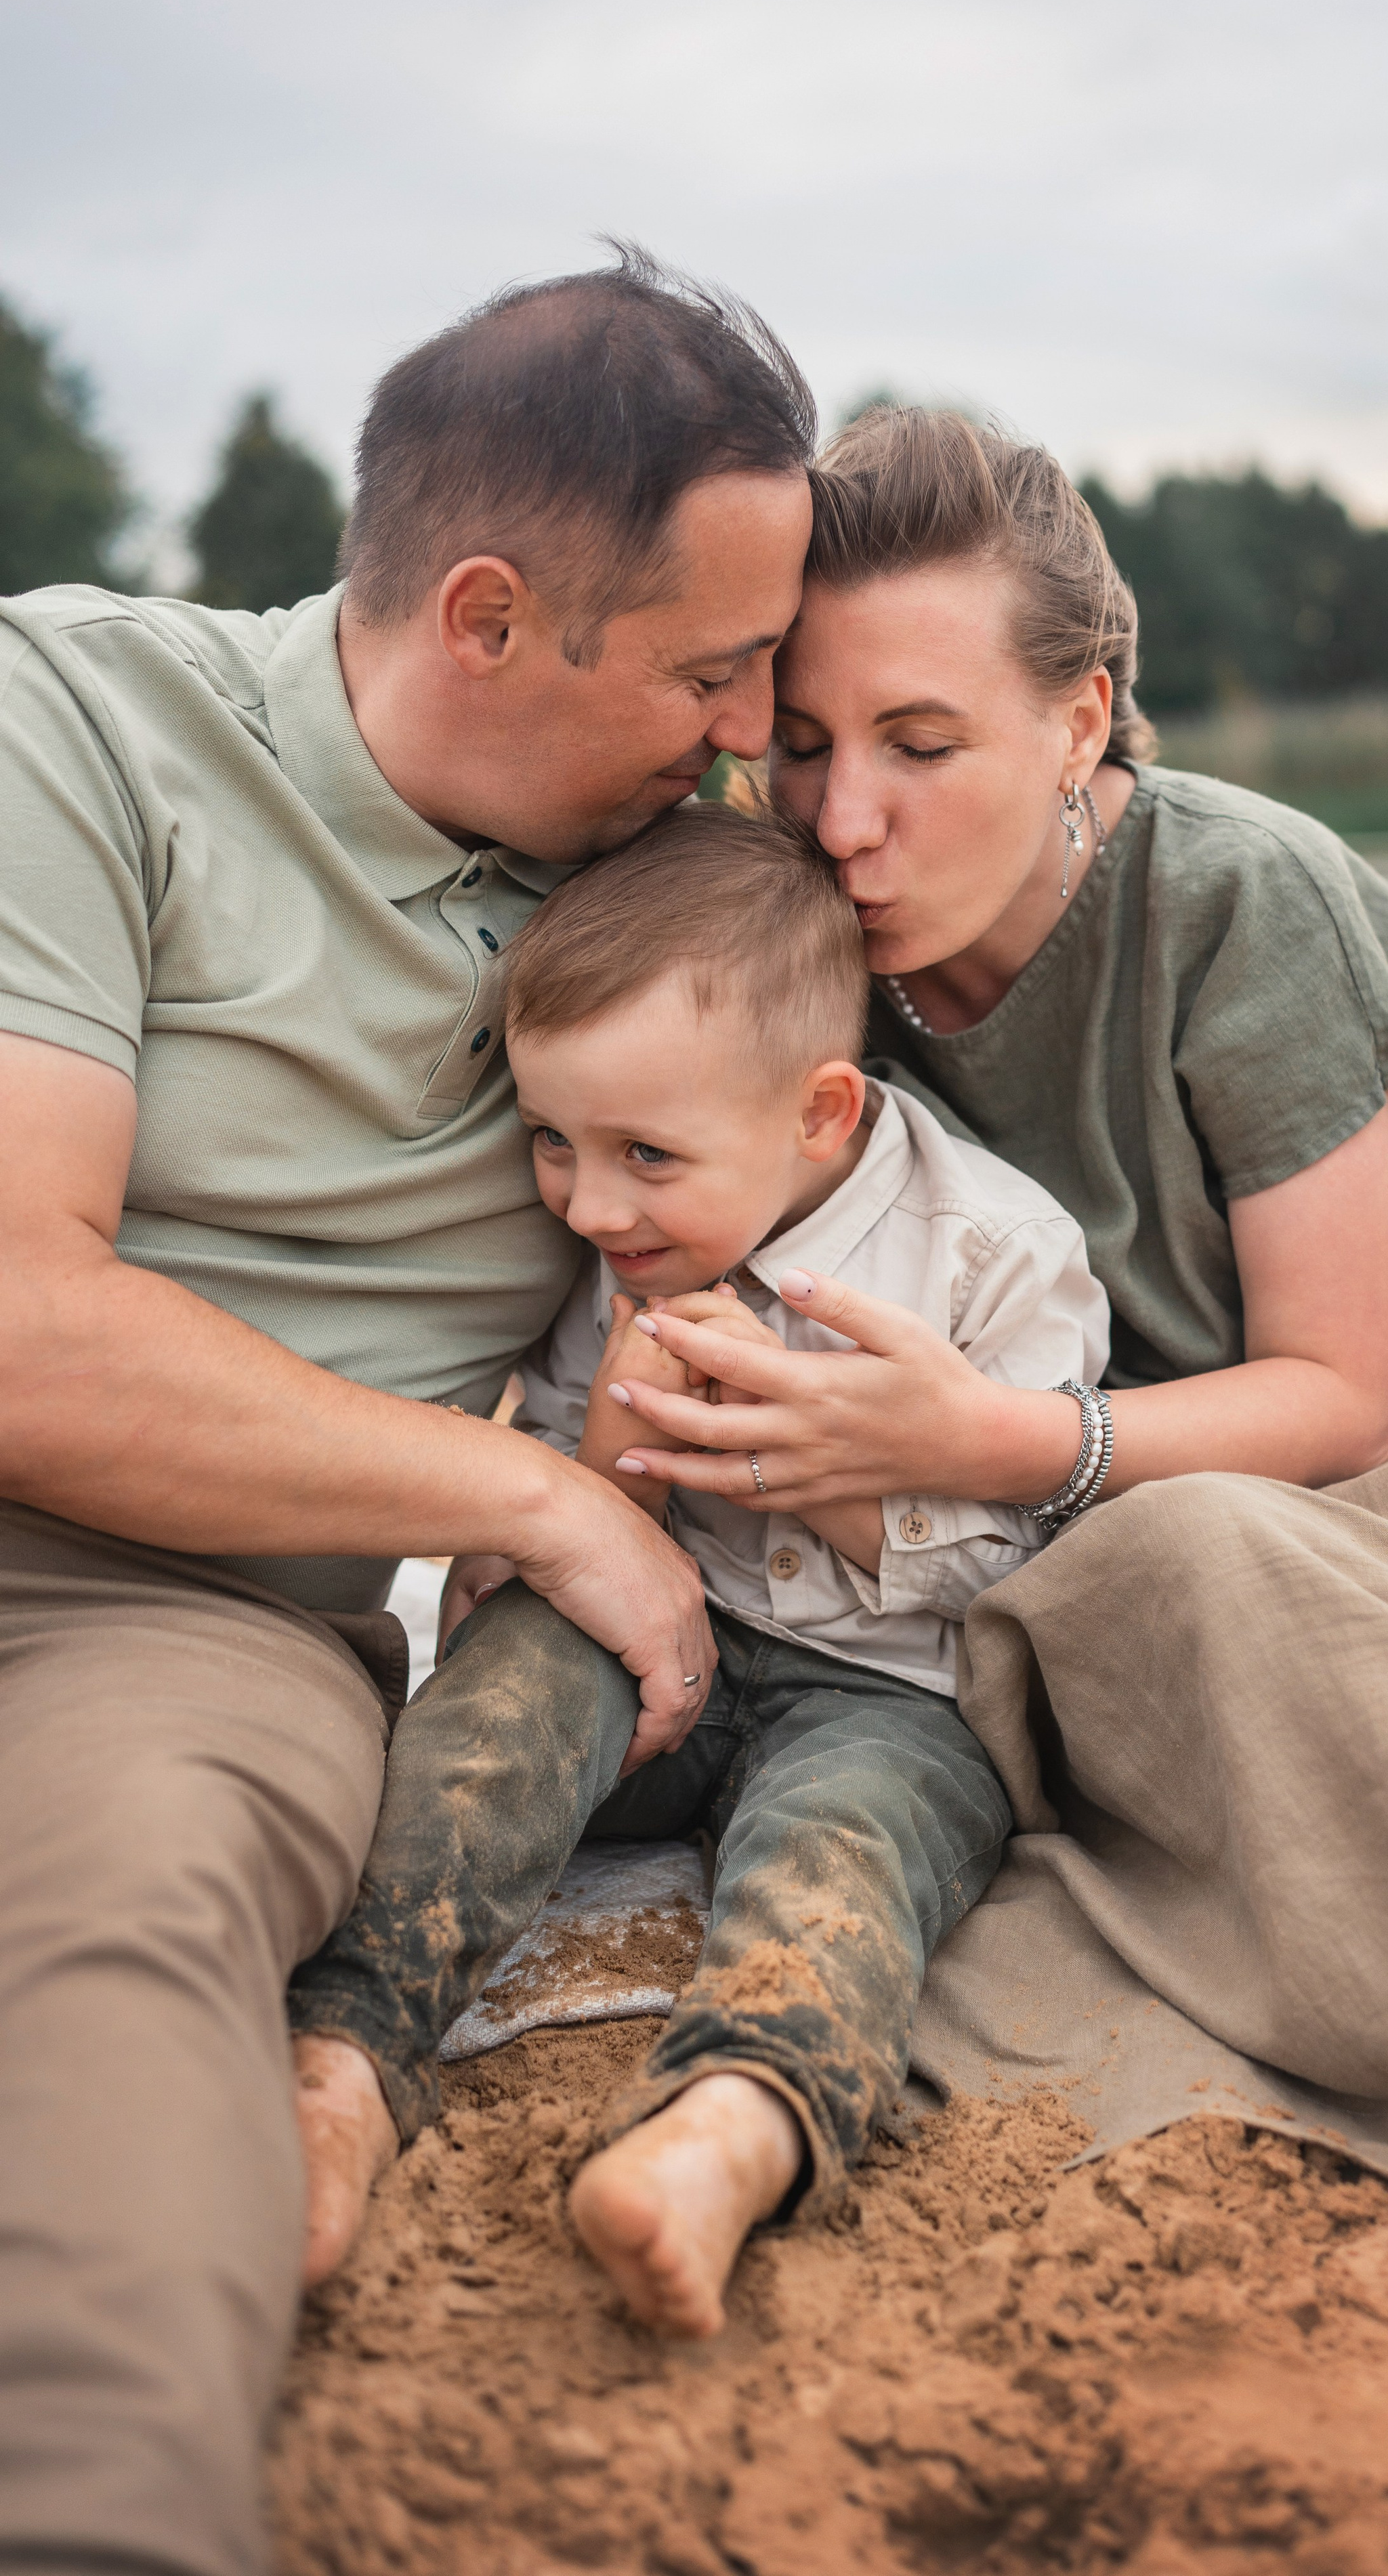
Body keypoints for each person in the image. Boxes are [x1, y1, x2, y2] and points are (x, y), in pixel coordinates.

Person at [593, 407, 1388, 2206]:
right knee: (1217, 1592)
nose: (847, 818)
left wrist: (981, 1440)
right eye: (802, 745)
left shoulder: (1232, 897)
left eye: (922, 741)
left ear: (1081, 713)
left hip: (1383, 1434)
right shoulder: (775, 945)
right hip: (1080, 1533)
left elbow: (1347, 1390)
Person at [0, 252, 816, 2576]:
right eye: (705, 668)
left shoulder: (675, 897)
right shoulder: (71, 717)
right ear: (485, 617)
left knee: (131, 1925)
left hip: (176, 1635)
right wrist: (524, 1498)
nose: (752, 728)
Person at [287, 802, 1110, 2334]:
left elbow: (1034, 1576)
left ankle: (727, 2130)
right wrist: (608, 1454)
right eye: (551, 1142)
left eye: (643, 1157)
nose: (591, 1206)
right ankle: (346, 2051)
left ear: (816, 1113)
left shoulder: (988, 1253)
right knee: (504, 1704)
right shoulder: (617, 1247)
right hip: (669, 1654)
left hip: (891, 1693)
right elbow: (561, 1519)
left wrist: (828, 1474)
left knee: (842, 1855)